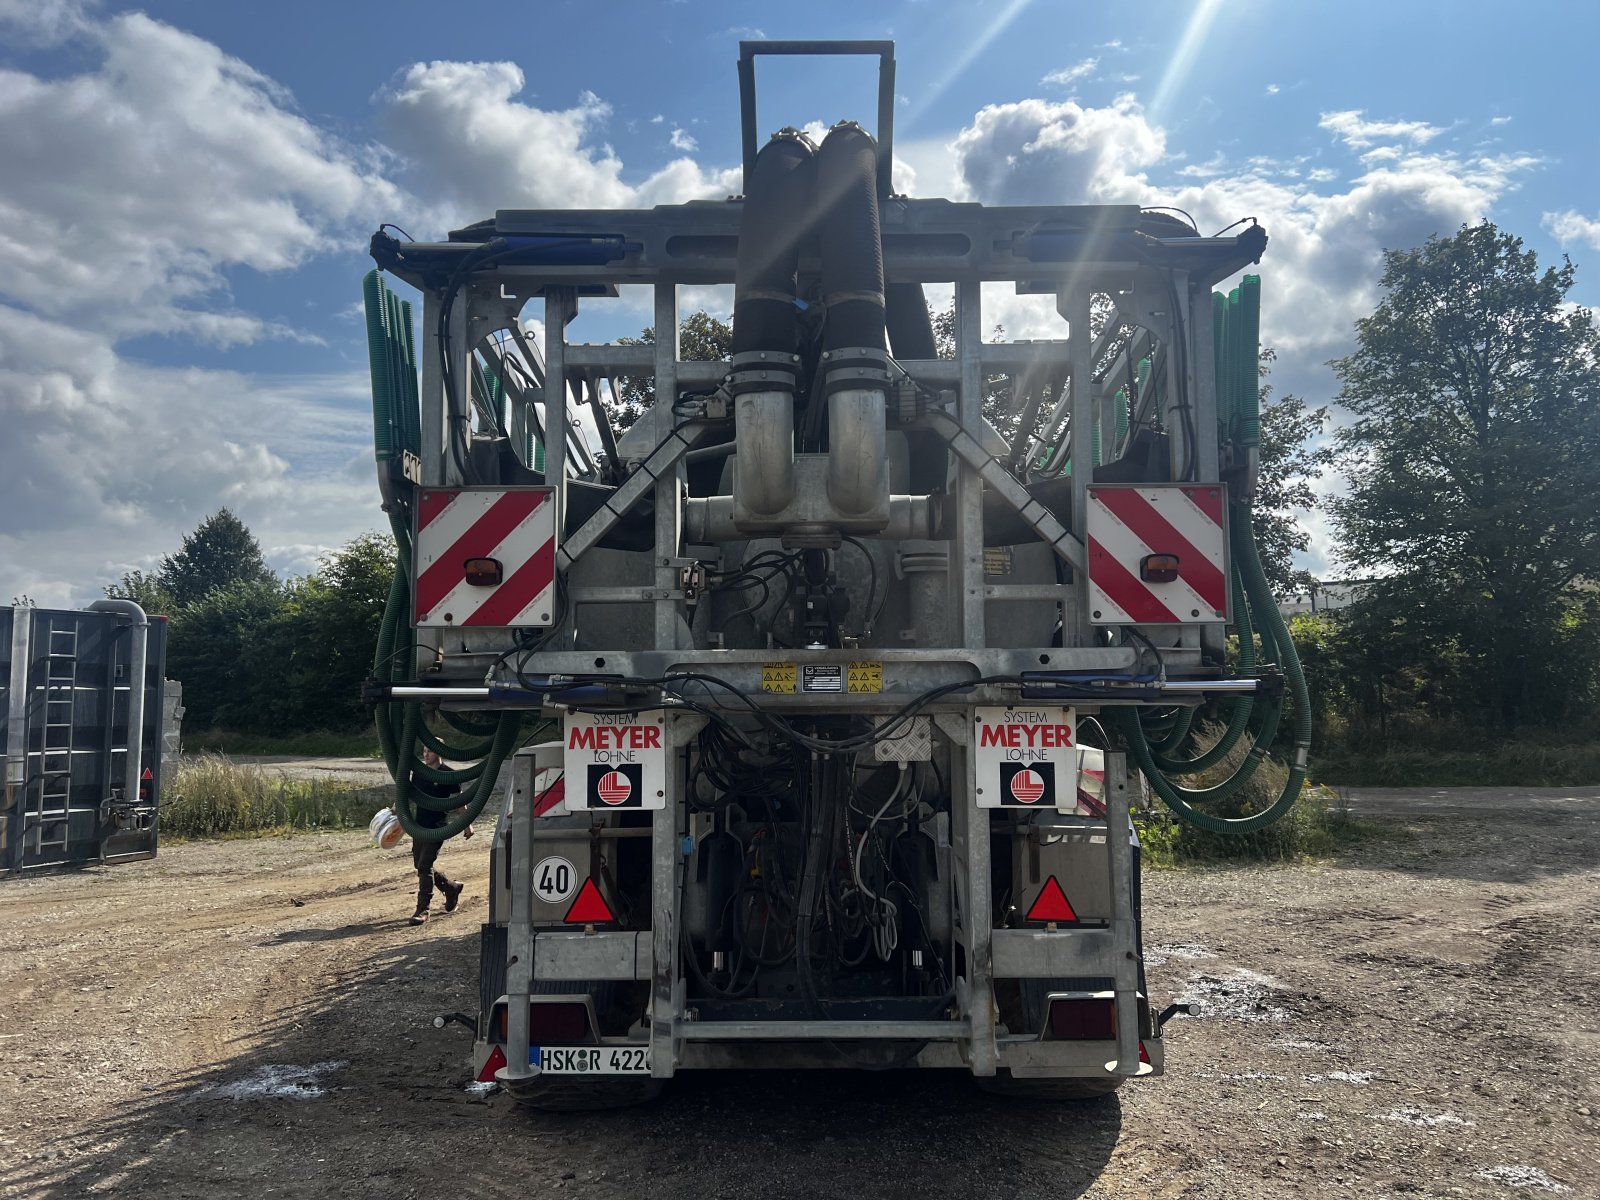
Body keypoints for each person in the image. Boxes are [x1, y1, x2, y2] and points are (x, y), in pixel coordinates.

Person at [407, 748, 472, 926]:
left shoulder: (448, 775)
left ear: (439, 752)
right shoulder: (419, 773)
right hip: (419, 826)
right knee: (420, 865)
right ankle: (451, 887)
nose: (425, 754)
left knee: (425, 865)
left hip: (437, 828)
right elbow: (408, 793)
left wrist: (467, 824)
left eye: (429, 751)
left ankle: (423, 910)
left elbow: (459, 802)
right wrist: (396, 811)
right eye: (424, 751)